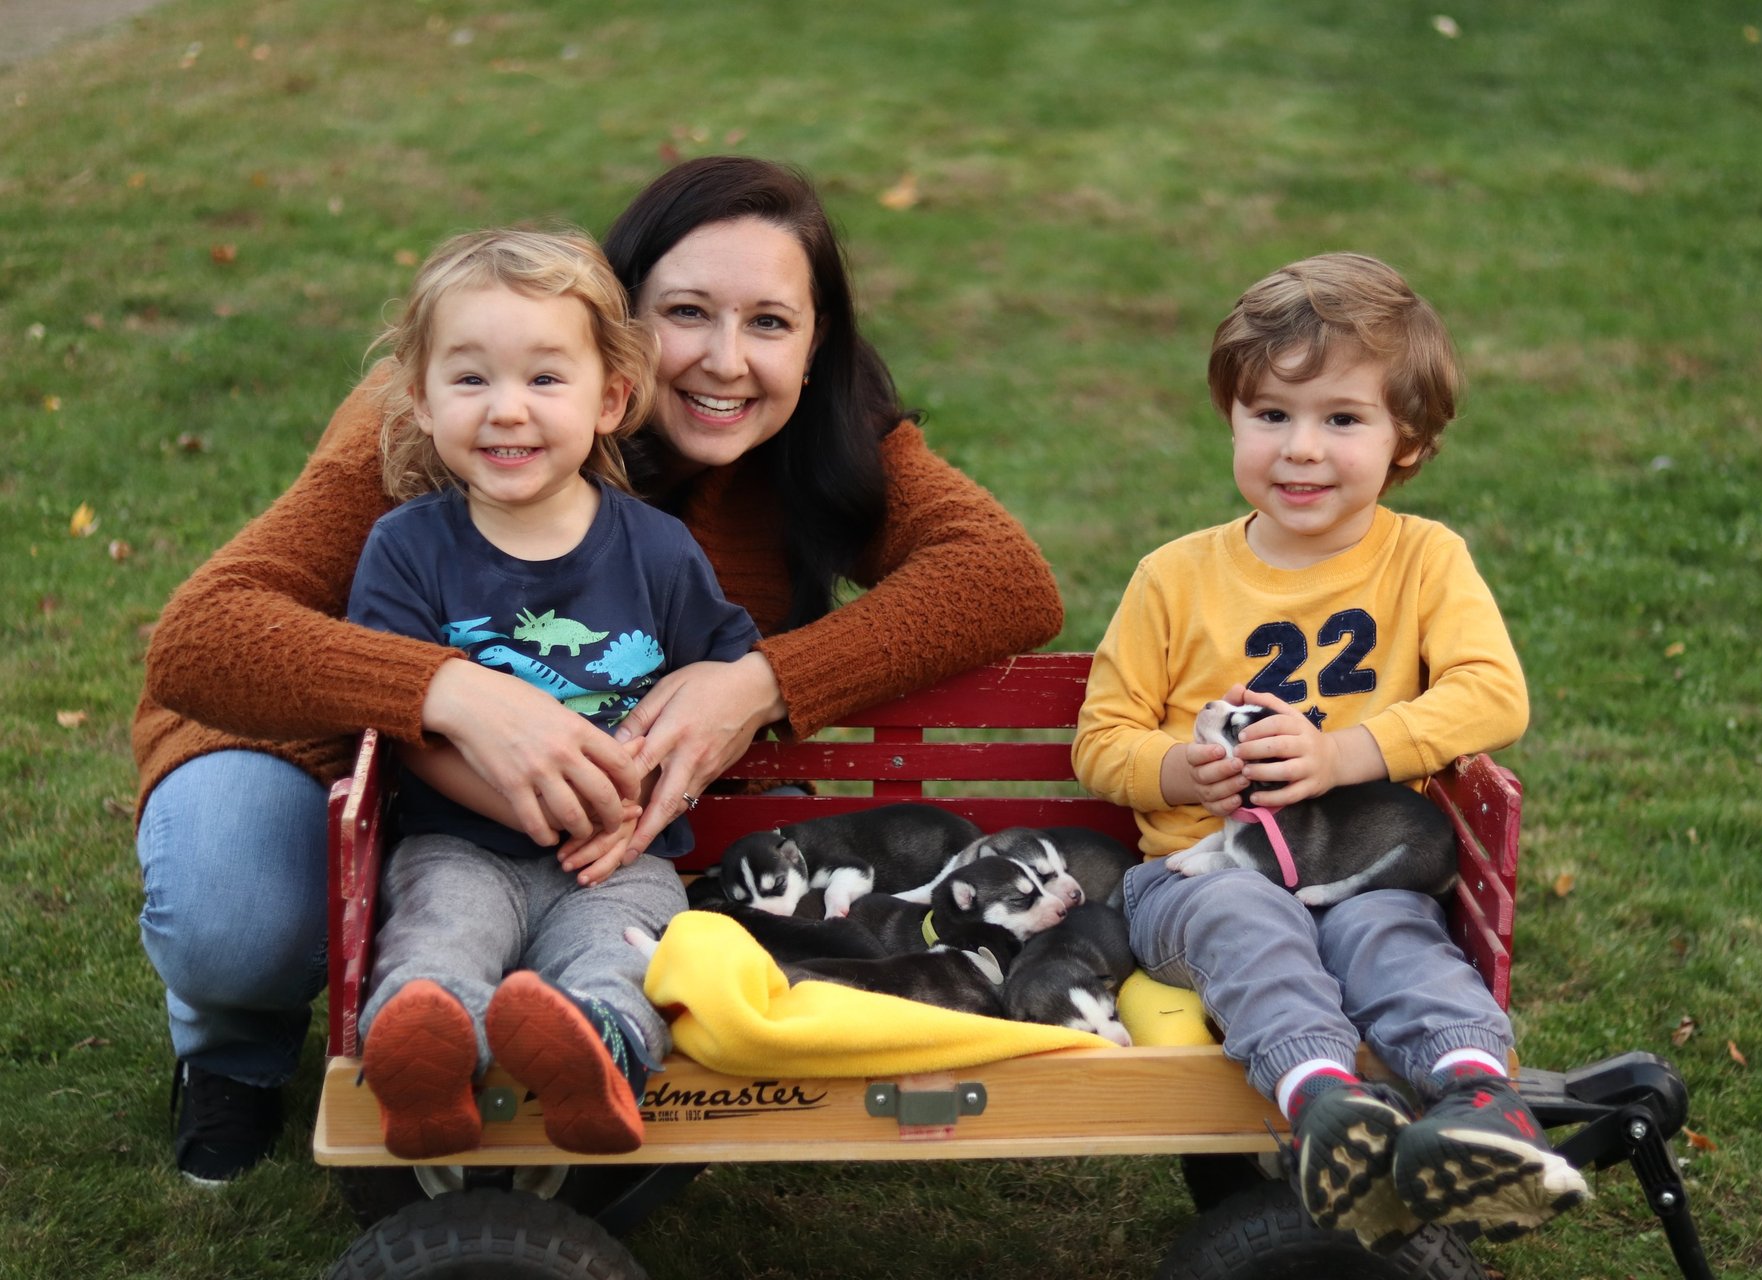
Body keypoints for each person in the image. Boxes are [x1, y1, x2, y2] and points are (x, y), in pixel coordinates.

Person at [133, 156, 1064, 1183]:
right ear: (617, 322)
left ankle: (578, 1038)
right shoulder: (459, 410)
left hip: (598, 830)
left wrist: (757, 681)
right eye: (687, 312)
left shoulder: (824, 435)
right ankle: (235, 1051)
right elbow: (202, 634)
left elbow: (1004, 578)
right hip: (324, 746)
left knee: (609, 924)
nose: (724, 360)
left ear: (816, 342)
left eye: (769, 322)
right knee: (242, 918)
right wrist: (454, 692)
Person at [1071, 253, 1588, 1248]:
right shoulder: (1175, 577)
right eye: (1271, 415)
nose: (1300, 450)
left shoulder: (1423, 559)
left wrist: (1345, 753)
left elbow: (1494, 694)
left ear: (1410, 442)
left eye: (1341, 419)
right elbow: (1102, 737)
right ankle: (1328, 1112)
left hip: (1353, 862)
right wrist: (1179, 768)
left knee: (1396, 939)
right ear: (1232, 418)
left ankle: (1483, 1106)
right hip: (1196, 873)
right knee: (1247, 924)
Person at [344, 226, 760, 1158]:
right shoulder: (409, 550)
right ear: (420, 397)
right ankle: (424, 1066)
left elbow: (726, 675)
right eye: (470, 379)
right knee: (436, 945)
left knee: (623, 958)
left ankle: (593, 1057)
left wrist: (658, 777)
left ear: (611, 398)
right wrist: (523, 805)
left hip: (621, 859)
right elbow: (406, 721)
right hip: (460, 846)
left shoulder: (655, 549)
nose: (507, 412)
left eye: (544, 379)